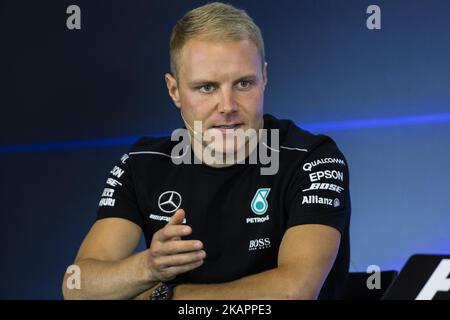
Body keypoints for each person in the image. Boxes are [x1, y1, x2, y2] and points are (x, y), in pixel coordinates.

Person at [62, 2, 351, 300]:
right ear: (174, 90)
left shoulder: (312, 158)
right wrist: (149, 266)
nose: (227, 106)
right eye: (206, 88)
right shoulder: (141, 165)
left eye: (243, 83)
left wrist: (165, 297)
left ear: (264, 77)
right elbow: (76, 288)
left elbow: (294, 293)